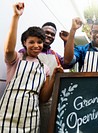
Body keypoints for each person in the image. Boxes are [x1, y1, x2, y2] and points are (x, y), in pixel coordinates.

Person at [0, 2, 63, 132]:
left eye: (39, 42)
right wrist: (16, 17)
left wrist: (54, 77)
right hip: (8, 112)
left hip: (31, 117)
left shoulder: (44, 68)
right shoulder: (16, 59)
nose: (36, 45)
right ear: (24, 43)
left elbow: (44, 98)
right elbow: (8, 50)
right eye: (31, 42)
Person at [19, 19, 69, 133]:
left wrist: (66, 42)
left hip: (47, 103)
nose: (49, 35)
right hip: (27, 100)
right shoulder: (23, 52)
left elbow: (67, 63)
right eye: (46, 32)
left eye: (52, 34)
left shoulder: (55, 55)